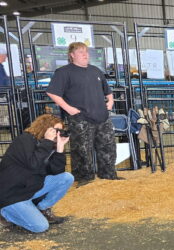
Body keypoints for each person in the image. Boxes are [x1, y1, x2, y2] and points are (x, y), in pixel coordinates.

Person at [46, 42, 118, 186]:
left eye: (86, 52)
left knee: (108, 147)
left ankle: (109, 175)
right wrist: (69, 108)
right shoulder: (64, 72)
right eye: (80, 52)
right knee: (81, 150)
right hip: (80, 118)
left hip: (102, 117)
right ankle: (84, 178)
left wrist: (110, 102)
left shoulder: (96, 71)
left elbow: (108, 91)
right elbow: (52, 92)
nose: (85, 55)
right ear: (72, 55)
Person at [0, 114, 73, 233]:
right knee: (40, 227)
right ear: (45, 128)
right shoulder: (25, 140)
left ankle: (42, 208)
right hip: (12, 194)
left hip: (31, 188)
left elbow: (57, 172)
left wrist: (60, 148)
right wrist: (48, 141)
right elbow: (33, 164)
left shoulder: (48, 145)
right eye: (56, 130)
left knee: (66, 178)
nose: (58, 134)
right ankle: (4, 213)